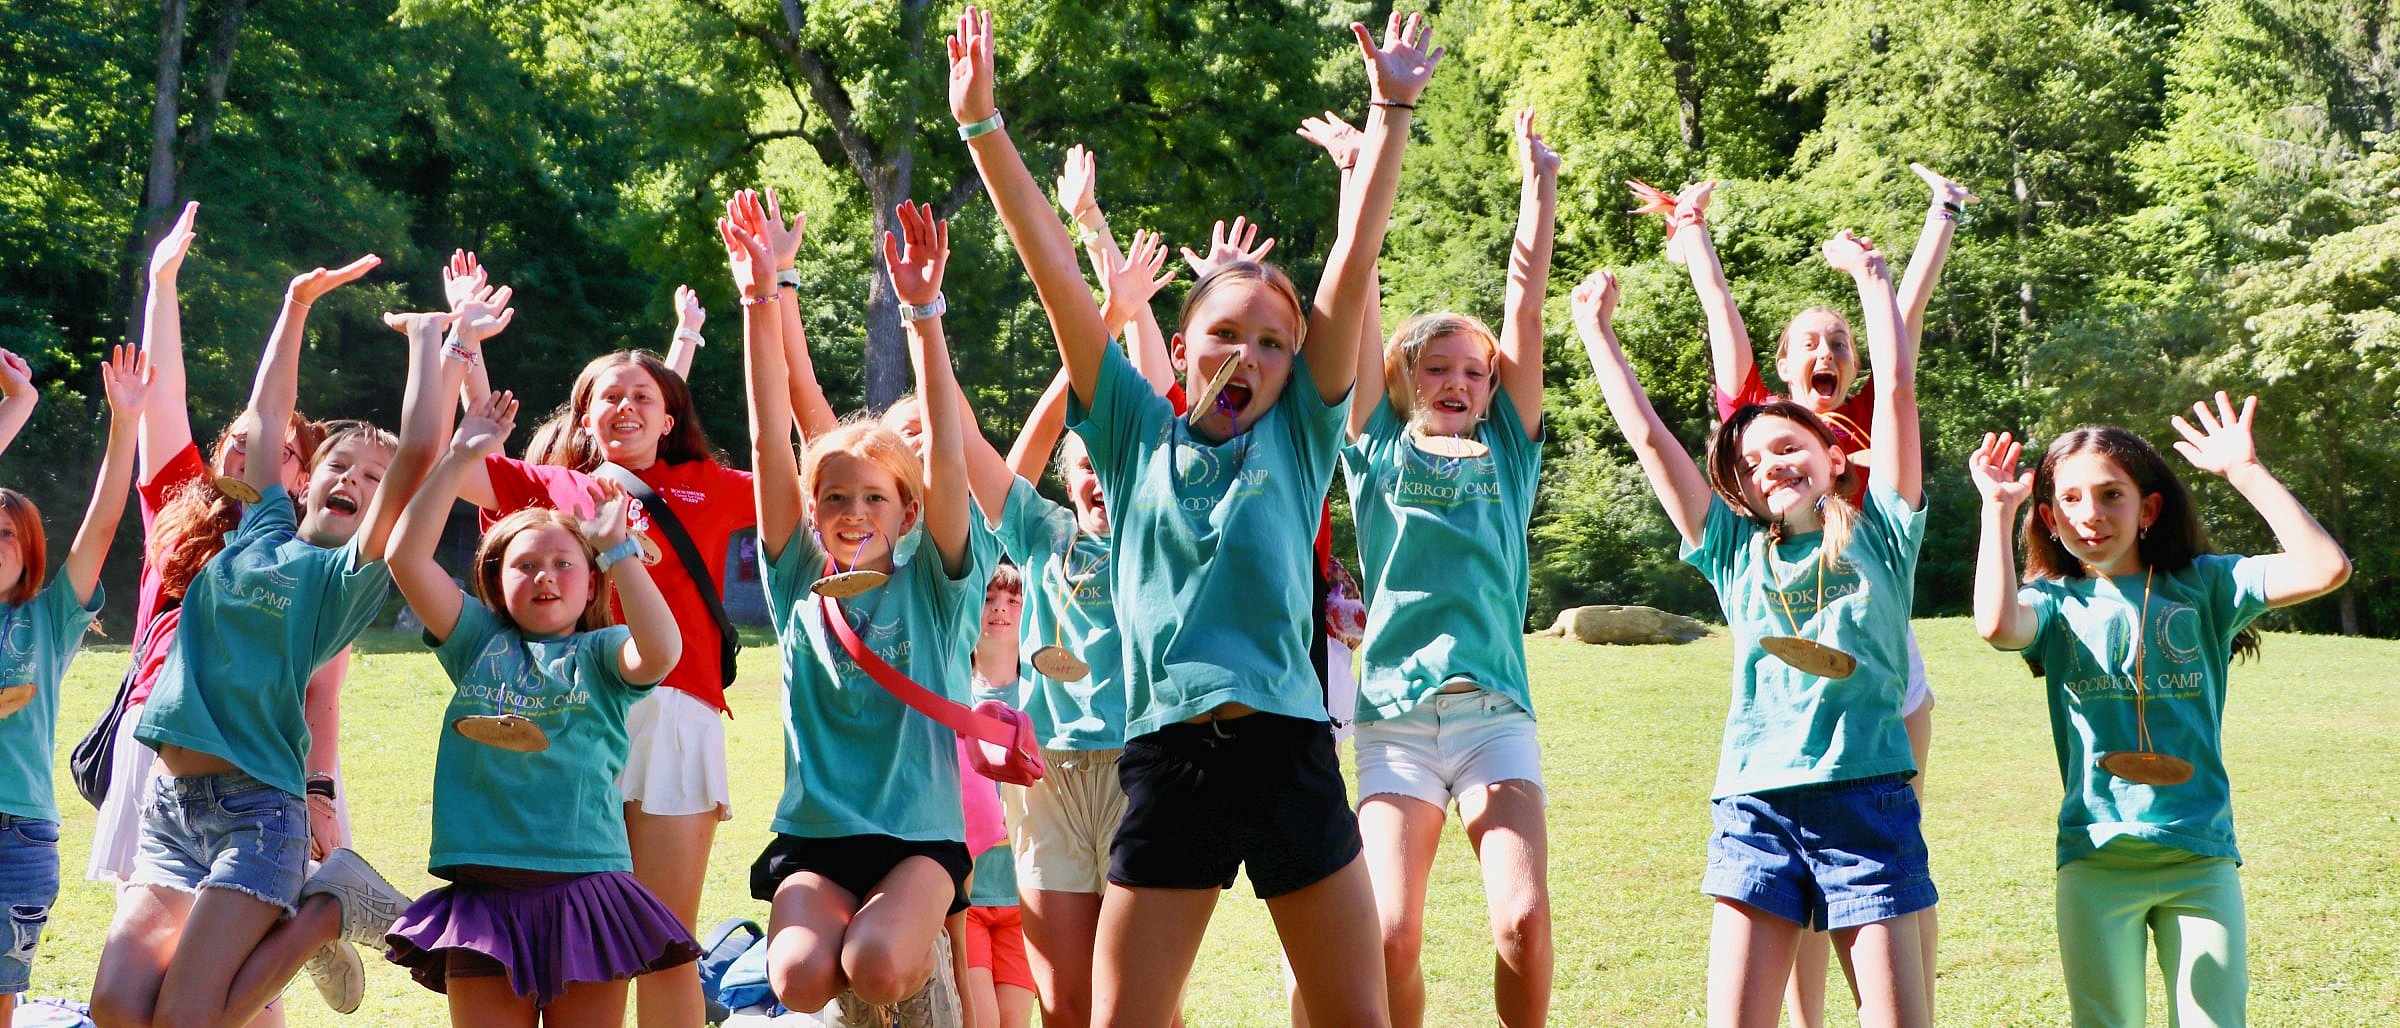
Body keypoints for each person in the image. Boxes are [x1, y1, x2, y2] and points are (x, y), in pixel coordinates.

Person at [951, 7, 1440, 1023]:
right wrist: (982, 127)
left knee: (1357, 1015)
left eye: (1273, 343)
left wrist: (1389, 113)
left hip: (1290, 753)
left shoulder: (1299, 433)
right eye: (1225, 334)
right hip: (1169, 760)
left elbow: (1353, 262)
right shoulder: (1134, 433)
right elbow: (1056, 279)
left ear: (1296, 364)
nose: (1246, 357)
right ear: (1181, 347)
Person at [1570, 229, 1934, 1028]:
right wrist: (1597, 333)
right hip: (1756, 808)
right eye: (1752, 461)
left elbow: (1900, 390)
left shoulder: (1884, 532)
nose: (1772, 464)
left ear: (1834, 456)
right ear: (1738, 487)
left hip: (1867, 802)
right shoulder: (1734, 554)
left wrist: (1874, 278)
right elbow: (1649, 439)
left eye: (1789, 446)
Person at [1652, 166, 1974, 1024]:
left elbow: (1904, 327)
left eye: (1839, 342)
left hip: (1879, 646)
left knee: (1889, 841)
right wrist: (1694, 239)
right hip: (1787, 650)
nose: (1826, 352)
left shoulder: (1863, 422)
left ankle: (1904, 995)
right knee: (1791, 868)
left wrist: (1939, 220)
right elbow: (1721, 323)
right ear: (1784, 363)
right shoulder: (1760, 431)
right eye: (1808, 342)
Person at [91, 280, 450, 1028]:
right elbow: (265, 416)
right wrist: (294, 305)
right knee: (118, 1007)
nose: (352, 478)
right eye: (339, 464)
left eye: (372, 478)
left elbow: (419, 451)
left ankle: (327, 910)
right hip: (170, 806)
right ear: (307, 480)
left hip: (256, 813)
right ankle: (328, 905)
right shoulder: (259, 529)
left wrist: (426, 341)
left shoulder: (348, 572)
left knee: (188, 1018)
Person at [437, 246, 754, 1028]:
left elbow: (801, 490)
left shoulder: (710, 485)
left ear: (671, 417)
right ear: (584, 418)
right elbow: (461, 462)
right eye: (609, 397)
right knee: (574, 925)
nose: (625, 407)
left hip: (676, 708)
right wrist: (461, 343)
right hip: (572, 715)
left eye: (643, 397)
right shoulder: (552, 490)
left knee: (666, 943)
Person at [1967, 395, 2350, 1028]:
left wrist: (2245, 471)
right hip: (2096, 856)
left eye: (2111, 495)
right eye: (2071, 499)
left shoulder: (2206, 585)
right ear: (2050, 517)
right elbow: (1998, 626)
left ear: (2147, 510)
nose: (2091, 514)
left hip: (2198, 855)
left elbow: (2326, 568)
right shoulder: (2053, 602)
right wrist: (1996, 510)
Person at [730, 191, 992, 1021]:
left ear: (908, 513)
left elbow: (947, 455)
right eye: (836, 497)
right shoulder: (796, 581)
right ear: (813, 513)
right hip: (817, 837)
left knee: (876, 964)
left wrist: (923, 315)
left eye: (875, 498)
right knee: (799, 978)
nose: (854, 512)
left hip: (918, 839)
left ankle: (919, 967)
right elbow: (770, 439)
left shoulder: (935, 586)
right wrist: (757, 298)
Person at [1339, 107, 1558, 1028]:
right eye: (1436, 369)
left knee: (1523, 922)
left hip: (1493, 714)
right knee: (1389, 937)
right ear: (1404, 380)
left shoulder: (1509, 449)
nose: (1457, 383)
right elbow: (1356, 287)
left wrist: (1539, 185)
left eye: (1473, 371)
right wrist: (1356, 179)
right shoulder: (1374, 446)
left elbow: (1525, 308)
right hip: (1394, 720)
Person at [383, 390, 700, 1025]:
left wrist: (619, 549)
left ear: (591, 581)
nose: (545, 576)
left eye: (563, 563)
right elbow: (404, 557)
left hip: (586, 890)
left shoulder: (604, 652)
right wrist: (460, 456)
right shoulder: (476, 641)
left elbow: (662, 652)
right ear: (496, 579)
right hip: (484, 895)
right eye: (524, 565)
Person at [0, 347, 144, 1021]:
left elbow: (104, 524)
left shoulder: (49, 618)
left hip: (20, 838)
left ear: (30, 548)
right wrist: (18, 404)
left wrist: (125, 421)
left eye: (8, 533)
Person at [960, 565, 1036, 1028]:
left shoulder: (1043, 695)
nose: (999, 610)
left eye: (1013, 601)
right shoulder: (952, 693)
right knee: (981, 1020)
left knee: (1014, 1020)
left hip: (1027, 898)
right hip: (967, 895)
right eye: (989, 599)